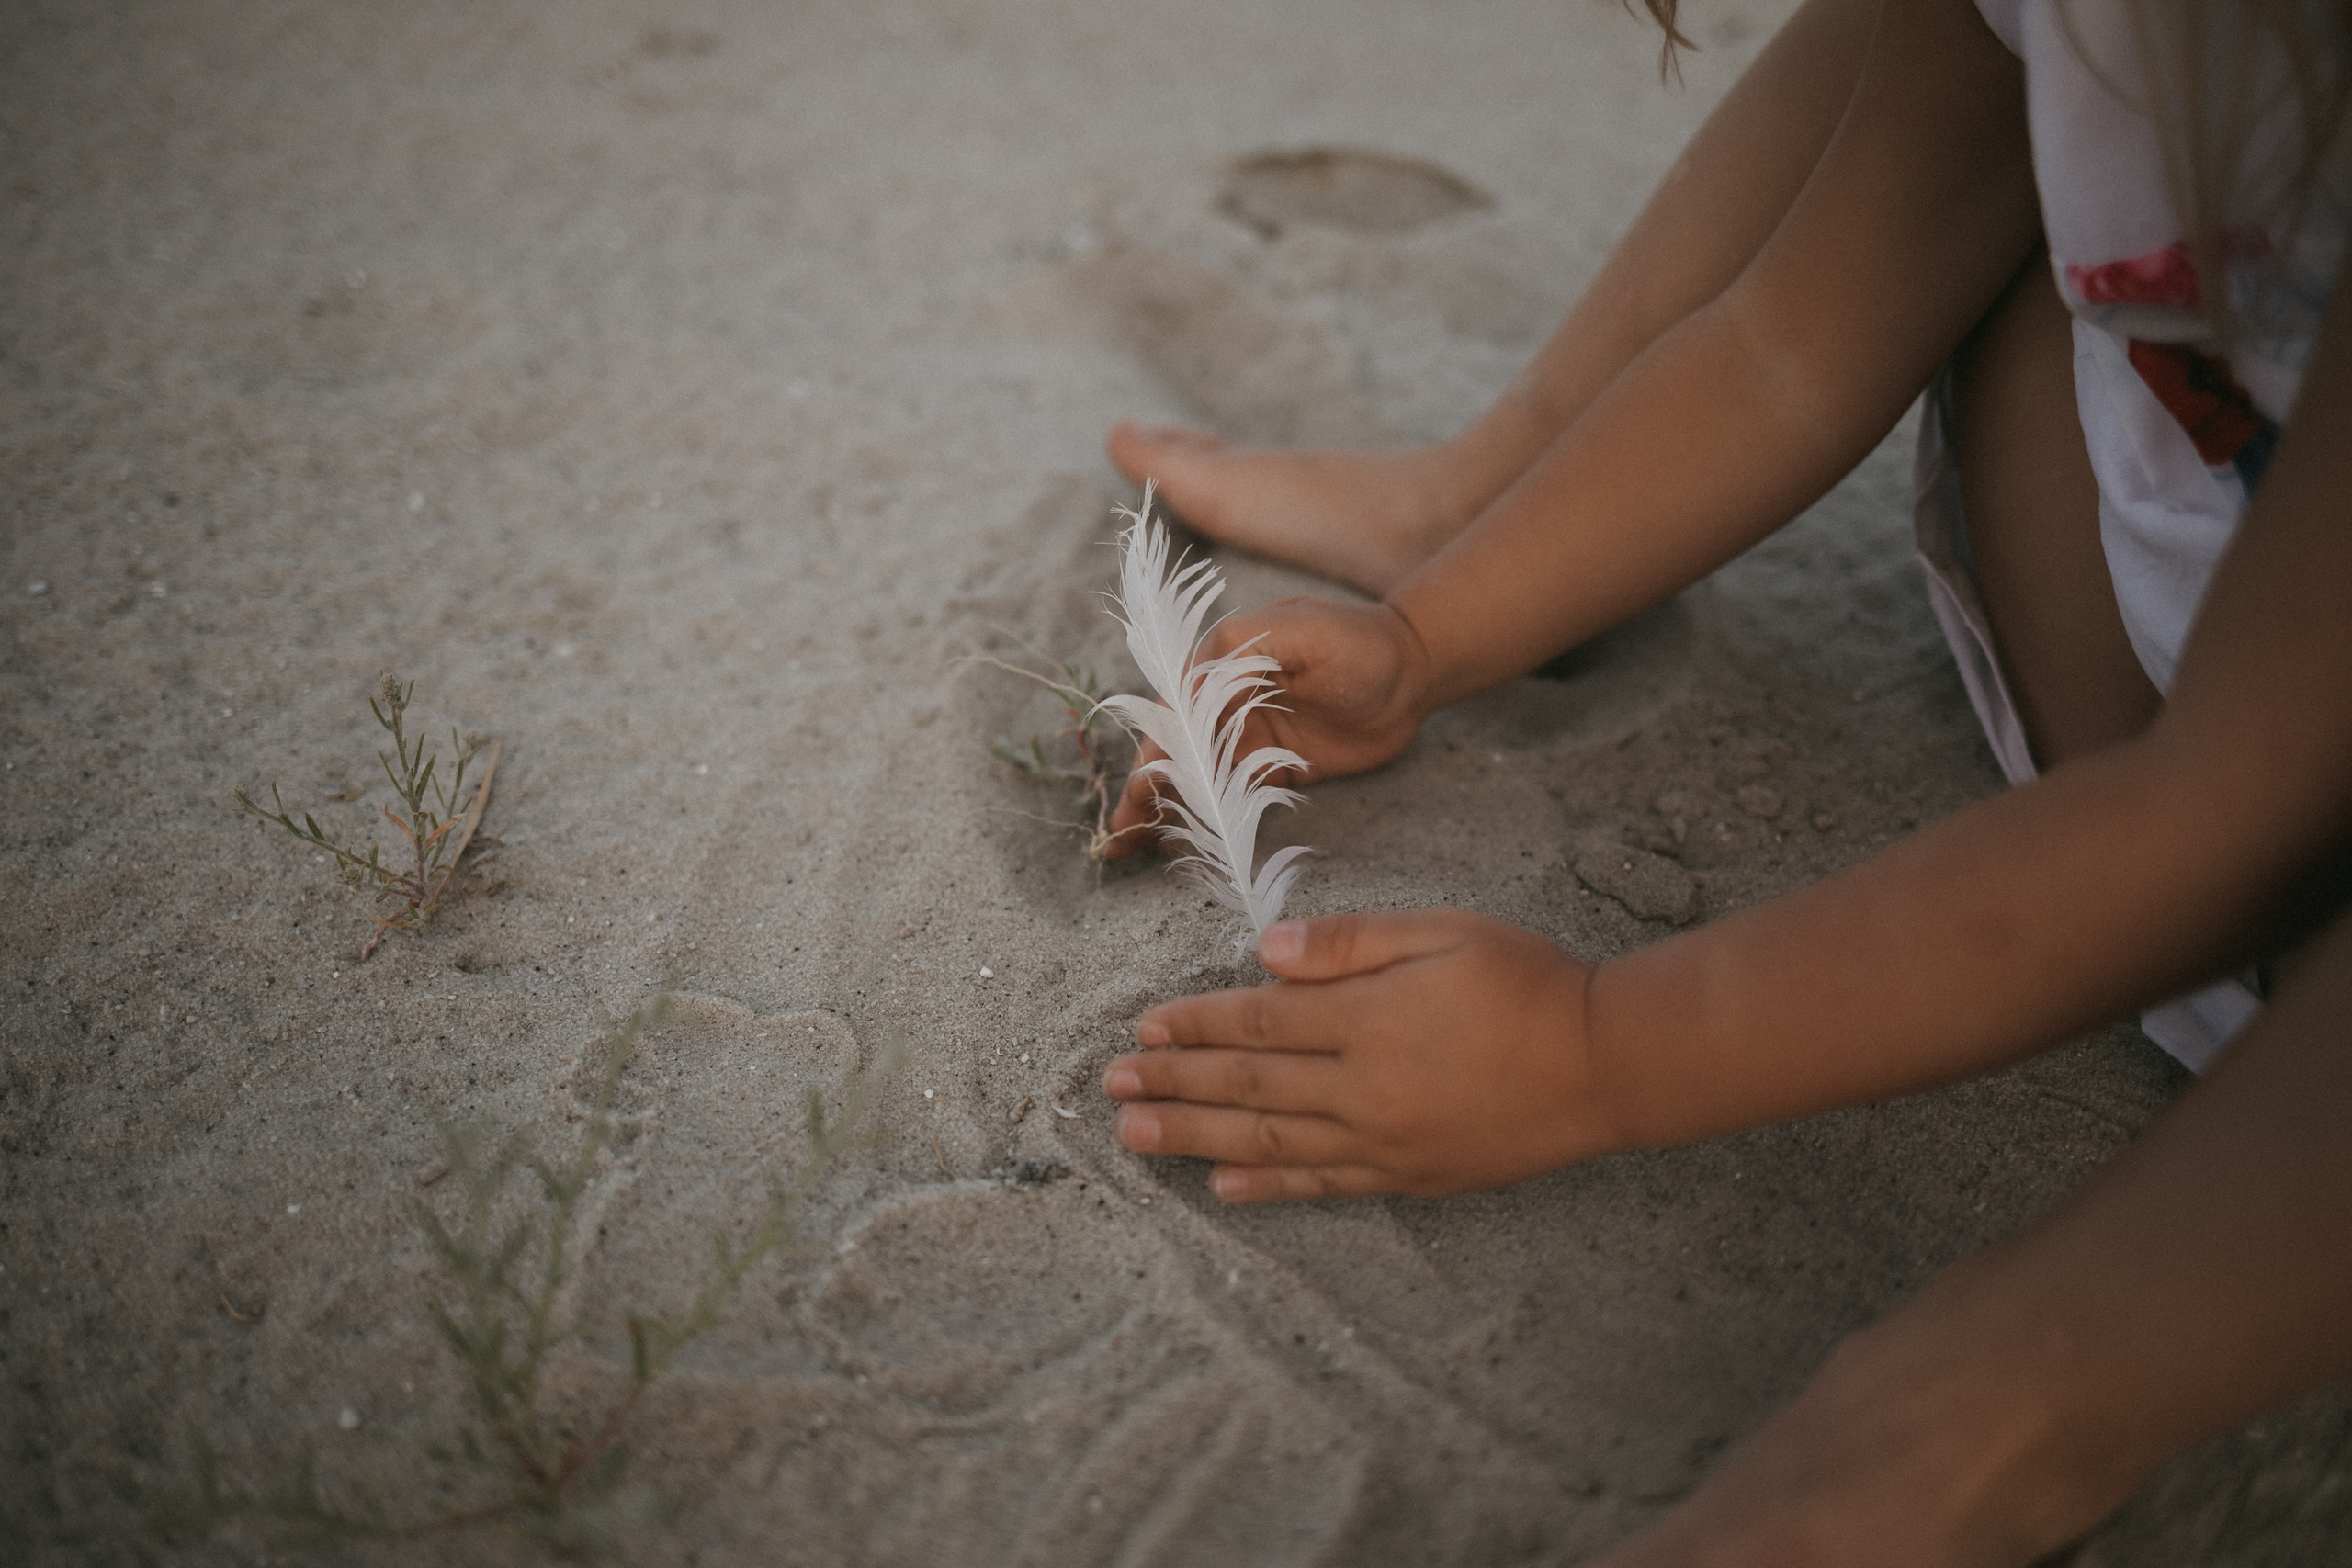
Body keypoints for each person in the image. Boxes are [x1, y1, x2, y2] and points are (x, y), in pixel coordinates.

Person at [1091, 0, 2352, 1560]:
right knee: (1945, 78)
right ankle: (1485, 492)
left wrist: (1592, 1052)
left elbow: (2239, 811)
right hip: (2217, 671)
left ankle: (1989, 1417)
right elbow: (1790, 332)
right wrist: (1428, 639)